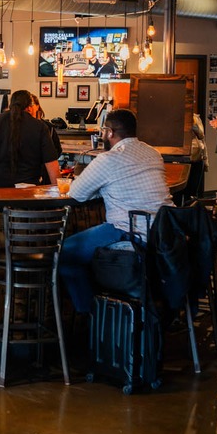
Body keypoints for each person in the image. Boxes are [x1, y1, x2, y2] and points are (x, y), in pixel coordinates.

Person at [57, 110, 174, 313]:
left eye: (104, 130)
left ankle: (90, 314)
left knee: (63, 253)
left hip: (130, 233)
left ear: (109, 132)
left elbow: (76, 193)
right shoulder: (153, 153)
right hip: (165, 233)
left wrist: (98, 187)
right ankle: (104, 308)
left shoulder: (107, 160)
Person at [0, 90, 61, 188]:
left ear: (10, 104)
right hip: (29, 189)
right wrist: (57, 188)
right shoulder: (40, 127)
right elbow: (51, 161)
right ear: (29, 107)